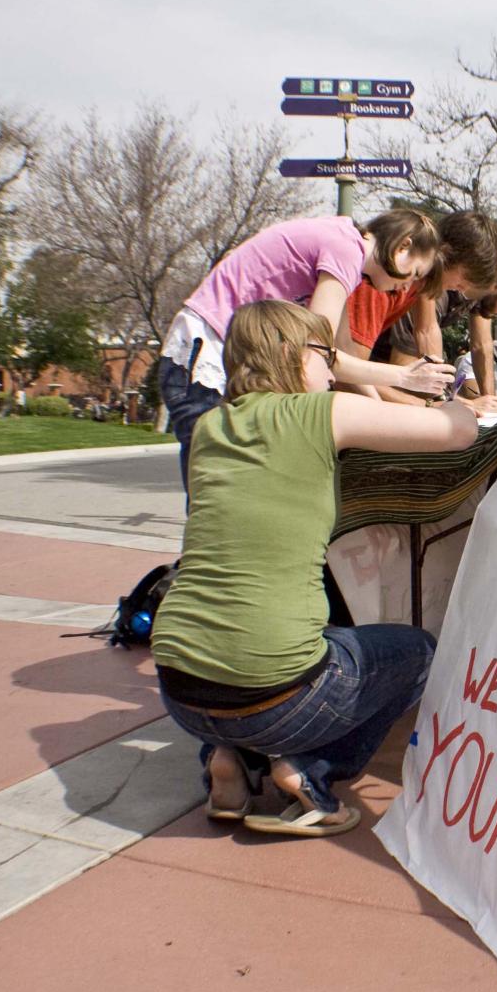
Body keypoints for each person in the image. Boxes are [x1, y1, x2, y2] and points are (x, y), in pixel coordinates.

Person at [150, 299, 478, 836]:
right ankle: (309, 773)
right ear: (290, 354)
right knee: (416, 652)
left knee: (279, 634)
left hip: (179, 688)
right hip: (274, 697)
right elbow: (458, 433)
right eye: (326, 356)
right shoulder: (319, 413)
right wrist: (455, 396)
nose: (332, 370)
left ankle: (227, 760)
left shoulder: (209, 427)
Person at [156, 210, 459, 491]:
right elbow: (321, 353)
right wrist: (404, 377)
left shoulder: (343, 250)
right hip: (204, 357)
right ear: (402, 247)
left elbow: (337, 351)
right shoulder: (345, 250)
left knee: (222, 484)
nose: (405, 289)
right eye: (415, 274)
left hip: (216, 355)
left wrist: (380, 411)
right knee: (215, 486)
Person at [343, 232, 497, 409]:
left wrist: (451, 401)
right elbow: (349, 377)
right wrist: (433, 403)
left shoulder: (417, 284)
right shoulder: (381, 288)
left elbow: (481, 344)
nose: (461, 288)